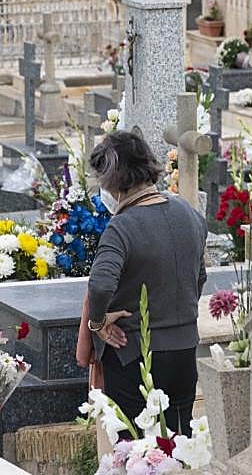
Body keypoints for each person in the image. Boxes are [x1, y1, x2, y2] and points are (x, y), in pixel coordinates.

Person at [78, 130, 207, 435]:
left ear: (112, 180)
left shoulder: (121, 227)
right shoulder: (188, 213)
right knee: (179, 442)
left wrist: (98, 322)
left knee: (135, 447)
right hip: (184, 349)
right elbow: (199, 276)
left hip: (134, 351)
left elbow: (100, 285)